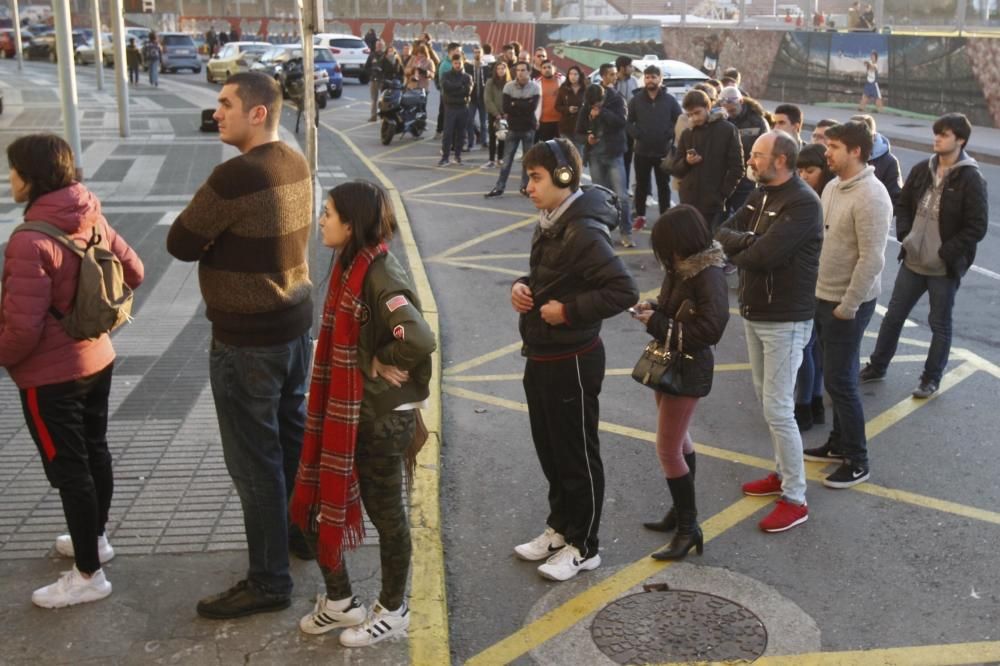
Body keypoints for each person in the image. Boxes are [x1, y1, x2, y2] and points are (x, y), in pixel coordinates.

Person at [167, 73, 314, 618]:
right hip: (295, 332)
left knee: (256, 464)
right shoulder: (295, 161)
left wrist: (214, 237)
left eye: (227, 104)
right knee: (292, 445)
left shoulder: (234, 176)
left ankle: (270, 582)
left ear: (258, 113)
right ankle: (301, 533)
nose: (217, 112)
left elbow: (179, 242)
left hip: (246, 344)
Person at [2, 133, 144, 608]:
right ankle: (96, 539)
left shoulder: (29, 240)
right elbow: (135, 270)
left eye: (14, 170)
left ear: (32, 176)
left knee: (70, 470)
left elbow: (21, 333)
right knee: (93, 452)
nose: (11, 178)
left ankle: (88, 575)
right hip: (97, 357)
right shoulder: (89, 213)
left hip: (50, 375)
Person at [293, 180, 436, 648]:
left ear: (351, 224)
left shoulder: (378, 274)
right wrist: (364, 355)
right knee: (319, 500)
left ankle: (394, 610)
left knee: (386, 514)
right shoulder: (350, 263)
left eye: (329, 213)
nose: (321, 220)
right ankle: (340, 602)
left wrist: (371, 361)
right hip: (350, 412)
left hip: (379, 418)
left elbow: (417, 338)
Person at [512, 138, 638, 581]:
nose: (528, 186)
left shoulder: (583, 231)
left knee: (577, 454)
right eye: (528, 176)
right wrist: (522, 286)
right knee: (550, 448)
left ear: (564, 178)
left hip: (573, 359)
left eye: (536, 177)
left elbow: (623, 290)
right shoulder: (551, 221)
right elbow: (551, 276)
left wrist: (567, 312)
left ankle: (585, 545)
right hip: (542, 353)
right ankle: (560, 529)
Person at [716, 131, 822, 533]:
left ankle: (795, 498)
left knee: (778, 408)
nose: (752, 161)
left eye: (758, 155)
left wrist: (746, 246)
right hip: (756, 311)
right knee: (766, 400)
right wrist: (748, 241)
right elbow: (724, 232)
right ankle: (781, 472)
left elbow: (762, 257)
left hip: (786, 319)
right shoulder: (760, 194)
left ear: (781, 160)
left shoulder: (802, 204)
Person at [860, 113, 989, 399]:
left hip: (944, 268)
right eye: (936, 133)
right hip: (913, 261)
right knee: (893, 317)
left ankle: (931, 378)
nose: (937, 138)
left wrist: (947, 252)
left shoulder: (971, 178)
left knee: (939, 324)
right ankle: (877, 366)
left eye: (944, 135)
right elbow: (903, 203)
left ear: (960, 140)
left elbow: (976, 226)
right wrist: (906, 235)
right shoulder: (922, 170)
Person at [634, 206, 728, 558]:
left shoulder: (708, 275)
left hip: (688, 367)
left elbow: (710, 329)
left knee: (668, 448)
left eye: (667, 247)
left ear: (682, 243)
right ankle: (680, 515)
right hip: (671, 362)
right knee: (679, 439)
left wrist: (655, 322)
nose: (665, 256)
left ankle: (689, 527)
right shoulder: (682, 266)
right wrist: (653, 306)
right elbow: (675, 305)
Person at [802, 121, 891, 489]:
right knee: (837, 378)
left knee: (841, 382)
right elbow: (823, 241)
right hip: (824, 295)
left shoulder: (872, 195)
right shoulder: (834, 187)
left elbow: (873, 259)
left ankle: (857, 460)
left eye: (834, 146)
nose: (827, 152)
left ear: (856, 151)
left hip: (846, 304)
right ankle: (839, 444)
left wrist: (849, 304)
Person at [793, 143, 836, 431]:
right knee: (813, 345)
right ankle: (815, 402)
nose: (804, 176)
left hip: (818, 279)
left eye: (810, 170)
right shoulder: (810, 195)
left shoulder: (824, 198)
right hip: (813, 278)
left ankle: (805, 406)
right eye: (800, 170)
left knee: (808, 346)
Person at [668, 89, 743, 233]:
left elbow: (737, 168)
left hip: (713, 200)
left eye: (697, 113)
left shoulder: (727, 130)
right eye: (690, 115)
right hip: (688, 198)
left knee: (707, 240)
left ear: (707, 107)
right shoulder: (687, 133)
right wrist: (687, 162)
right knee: (689, 239)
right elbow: (676, 169)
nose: (694, 118)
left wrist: (723, 194)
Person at [577, 63, 632, 247]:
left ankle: (626, 232)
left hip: (614, 153)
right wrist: (588, 138)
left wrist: (602, 112)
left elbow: (621, 122)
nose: (594, 106)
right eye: (592, 105)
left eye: (597, 104)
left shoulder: (616, 99)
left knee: (621, 196)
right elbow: (579, 130)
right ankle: (603, 231)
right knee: (600, 196)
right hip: (595, 156)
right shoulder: (589, 100)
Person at [627, 64, 682, 231]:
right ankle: (640, 216)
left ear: (660, 79)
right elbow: (628, 122)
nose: (650, 80)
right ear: (644, 79)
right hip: (642, 150)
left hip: (663, 151)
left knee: (663, 186)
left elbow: (678, 120)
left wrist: (668, 133)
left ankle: (664, 217)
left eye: (654, 77)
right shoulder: (636, 100)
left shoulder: (669, 100)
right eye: (648, 77)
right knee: (641, 186)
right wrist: (637, 134)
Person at [485, 61, 540, 198]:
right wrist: (523, 104)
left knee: (528, 162)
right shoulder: (508, 86)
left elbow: (531, 108)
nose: (520, 73)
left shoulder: (535, 87)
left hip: (528, 128)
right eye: (518, 70)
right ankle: (499, 187)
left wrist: (516, 103)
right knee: (507, 160)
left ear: (529, 72)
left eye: (523, 70)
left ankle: (525, 188)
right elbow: (506, 107)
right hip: (513, 128)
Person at [719, 86, 770, 214]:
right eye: (727, 110)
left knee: (744, 218)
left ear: (741, 101)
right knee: (718, 222)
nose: (730, 112)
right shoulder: (719, 119)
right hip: (723, 179)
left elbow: (766, 148)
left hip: (747, 179)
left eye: (733, 108)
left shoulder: (757, 121)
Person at [852, 113, 901, 204]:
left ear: (873, 137)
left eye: (861, 135)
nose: (854, 140)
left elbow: (895, 198)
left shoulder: (889, 162)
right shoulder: (842, 156)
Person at [439, 51, 473, 166]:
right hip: (450, 107)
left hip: (463, 107)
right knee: (448, 133)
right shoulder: (446, 75)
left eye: (459, 63)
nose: (457, 65)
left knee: (461, 133)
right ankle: (445, 157)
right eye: (455, 63)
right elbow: (445, 87)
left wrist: (454, 89)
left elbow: (467, 91)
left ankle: (458, 156)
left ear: (463, 63)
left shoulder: (467, 77)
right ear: (452, 63)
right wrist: (459, 86)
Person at [613, 55, 639, 187]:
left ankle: (626, 185)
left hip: (629, 124)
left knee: (628, 157)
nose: (632, 68)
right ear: (622, 68)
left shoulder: (634, 81)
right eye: (630, 66)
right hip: (614, 125)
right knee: (617, 157)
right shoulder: (613, 80)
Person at [483, 60, 510, 168]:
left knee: (503, 137)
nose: (500, 71)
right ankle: (491, 159)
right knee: (493, 137)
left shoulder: (509, 83)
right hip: (493, 114)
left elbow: (511, 99)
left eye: (503, 68)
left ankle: (500, 158)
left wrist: (506, 112)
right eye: (498, 69)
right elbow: (488, 99)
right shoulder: (490, 82)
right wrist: (496, 113)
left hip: (505, 115)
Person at [555, 65, 585, 157]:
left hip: (580, 126)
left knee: (578, 155)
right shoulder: (564, 88)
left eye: (575, 74)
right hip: (566, 126)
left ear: (580, 75)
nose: (573, 76)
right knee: (566, 154)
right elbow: (557, 106)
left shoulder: (586, 89)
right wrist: (568, 109)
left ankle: (577, 171)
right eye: (571, 74)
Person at [466, 45, 488, 150]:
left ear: (482, 53)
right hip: (472, 99)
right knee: (469, 121)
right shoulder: (468, 66)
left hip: (483, 100)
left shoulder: (486, 67)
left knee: (484, 123)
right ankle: (471, 142)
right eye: (475, 52)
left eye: (479, 52)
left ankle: (484, 142)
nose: (477, 54)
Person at [536, 60, 563, 142]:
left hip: (561, 121)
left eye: (549, 67)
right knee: (547, 147)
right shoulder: (536, 83)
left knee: (561, 147)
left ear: (554, 68)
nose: (547, 69)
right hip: (544, 122)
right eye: (544, 68)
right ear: (541, 70)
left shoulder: (562, 81)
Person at [364, 39, 387, 122]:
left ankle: (385, 117)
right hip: (373, 80)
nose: (379, 47)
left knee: (384, 100)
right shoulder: (372, 55)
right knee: (374, 99)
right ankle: (373, 116)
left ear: (383, 46)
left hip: (383, 80)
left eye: (380, 45)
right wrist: (372, 71)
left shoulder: (386, 55)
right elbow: (366, 67)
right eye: (377, 45)